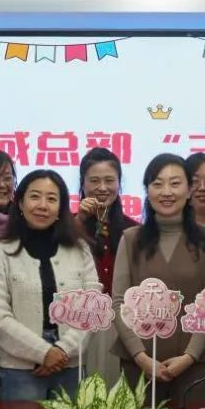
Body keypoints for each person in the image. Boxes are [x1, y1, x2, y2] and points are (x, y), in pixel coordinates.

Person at [112, 154, 205, 407]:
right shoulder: (130, 239)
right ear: (147, 190)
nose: (166, 192)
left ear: (189, 190)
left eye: (175, 183)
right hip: (138, 361)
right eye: (157, 184)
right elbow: (119, 303)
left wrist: (189, 357)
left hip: (194, 363)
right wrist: (141, 357)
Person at [0, 170, 100, 401]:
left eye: (51, 198)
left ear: (61, 207)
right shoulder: (0, 251)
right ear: (20, 203)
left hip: (71, 364)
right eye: (35, 196)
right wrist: (43, 352)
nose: (43, 205)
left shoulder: (80, 249)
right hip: (19, 368)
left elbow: (92, 308)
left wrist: (62, 350)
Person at [76, 148, 138, 385]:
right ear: (83, 184)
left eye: (109, 180)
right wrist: (79, 220)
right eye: (94, 181)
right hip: (78, 323)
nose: (102, 187)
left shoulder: (134, 231)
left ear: (119, 184)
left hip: (122, 324)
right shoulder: (69, 225)